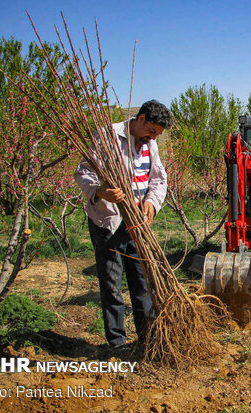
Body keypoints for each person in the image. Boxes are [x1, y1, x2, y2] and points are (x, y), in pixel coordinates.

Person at [74, 100, 172, 350]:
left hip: (138, 224)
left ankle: (146, 338)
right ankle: (117, 343)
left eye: (157, 135)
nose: (153, 137)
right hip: (109, 223)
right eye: (151, 131)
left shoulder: (151, 144)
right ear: (140, 119)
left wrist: (151, 203)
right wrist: (100, 191)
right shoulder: (107, 136)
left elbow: (159, 179)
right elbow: (83, 171)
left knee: (142, 283)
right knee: (112, 285)